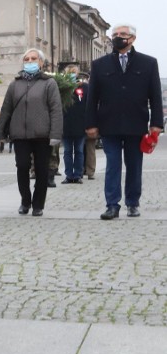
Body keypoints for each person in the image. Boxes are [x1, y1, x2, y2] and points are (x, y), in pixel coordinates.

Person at [85, 24, 163, 220]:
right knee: (112, 164)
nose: (118, 37)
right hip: (109, 123)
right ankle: (112, 204)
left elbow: (155, 96)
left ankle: (133, 203)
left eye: (122, 34)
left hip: (136, 124)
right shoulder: (100, 65)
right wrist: (91, 124)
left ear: (133, 38)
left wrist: (156, 124)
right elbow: (92, 97)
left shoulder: (148, 63)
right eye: (115, 35)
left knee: (134, 165)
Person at [0, 49, 63, 216]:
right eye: (27, 59)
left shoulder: (49, 83)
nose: (30, 61)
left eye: (34, 59)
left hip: (42, 134)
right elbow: (6, 109)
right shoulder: (14, 84)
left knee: (41, 169)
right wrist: (1, 132)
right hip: (20, 133)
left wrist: (55, 134)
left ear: (41, 62)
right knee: (22, 166)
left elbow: (56, 110)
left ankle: (38, 204)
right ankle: (25, 201)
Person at [60, 65, 88, 184]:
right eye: (69, 72)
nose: (72, 74)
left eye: (74, 72)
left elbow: (87, 104)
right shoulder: (63, 87)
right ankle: (68, 175)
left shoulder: (84, 87)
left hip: (80, 123)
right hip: (66, 124)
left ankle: (77, 174)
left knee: (79, 151)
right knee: (67, 151)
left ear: (77, 73)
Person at [79, 71, 97, 180]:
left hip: (87, 122)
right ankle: (89, 171)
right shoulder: (92, 89)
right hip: (88, 122)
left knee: (86, 148)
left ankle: (87, 170)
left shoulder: (86, 89)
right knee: (87, 148)